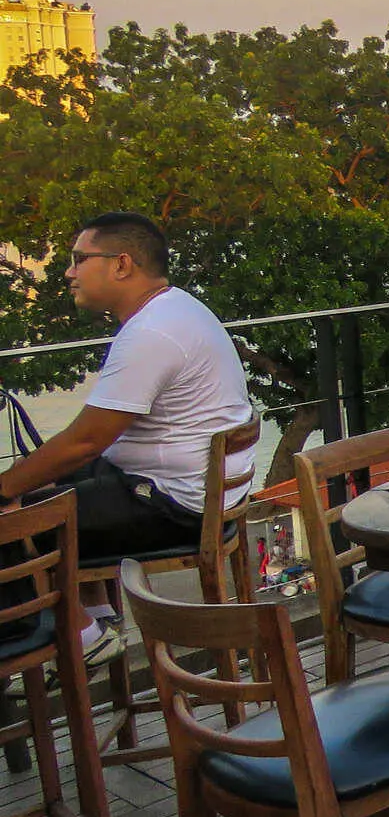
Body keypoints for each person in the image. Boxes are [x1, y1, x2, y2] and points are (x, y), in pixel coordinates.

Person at [0, 213, 255, 652]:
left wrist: (4, 489)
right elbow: (88, 441)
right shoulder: (178, 307)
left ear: (121, 264)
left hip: (172, 505)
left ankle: (80, 637)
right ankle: (97, 614)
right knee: (42, 479)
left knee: (14, 521)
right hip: (194, 489)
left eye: (79, 259)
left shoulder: (152, 332)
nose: (69, 273)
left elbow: (86, 441)